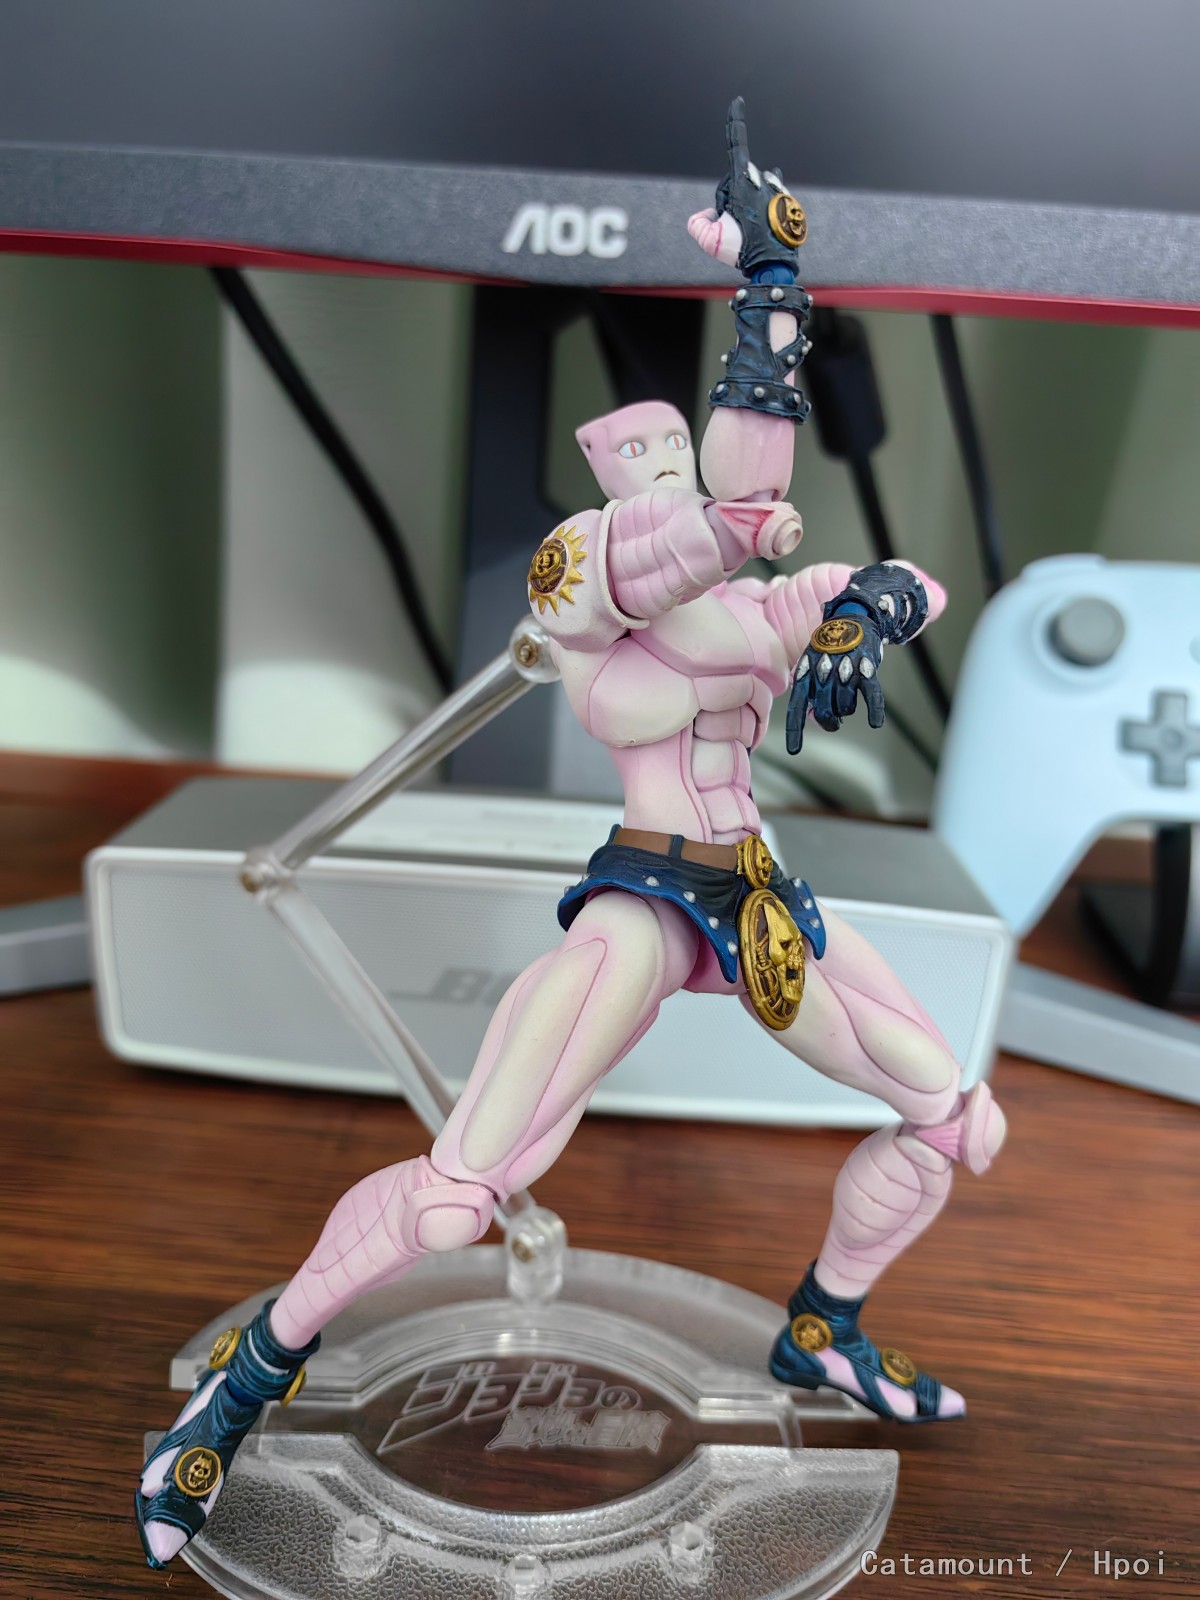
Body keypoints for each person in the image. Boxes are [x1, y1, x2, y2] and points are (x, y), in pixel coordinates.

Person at [136, 100, 1005, 1569]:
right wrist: (769, 311)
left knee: (957, 1120)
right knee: (456, 1196)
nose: (671, 480)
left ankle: (823, 1329)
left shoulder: (758, 600)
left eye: (681, 459)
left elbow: (901, 578)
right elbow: (700, 532)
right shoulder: (585, 575)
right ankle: (243, 1382)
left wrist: (866, 607)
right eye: (647, 465)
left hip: (762, 898)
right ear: (616, 479)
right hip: (645, 903)